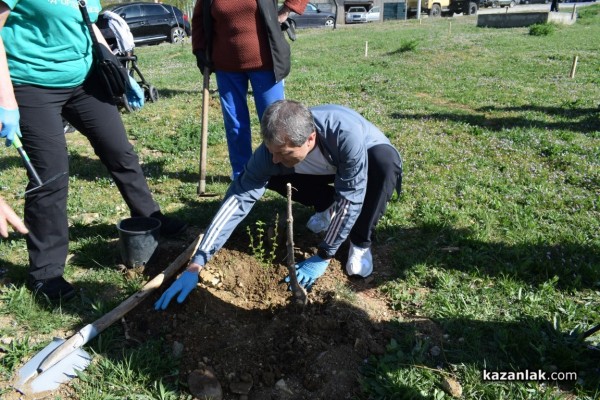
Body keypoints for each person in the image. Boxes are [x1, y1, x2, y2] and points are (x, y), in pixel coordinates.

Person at [0, 1, 187, 302]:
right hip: (32, 83)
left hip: (85, 80)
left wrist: (118, 71)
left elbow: (88, 25)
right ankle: (45, 273)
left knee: (120, 152)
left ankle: (151, 217)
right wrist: (6, 100)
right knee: (51, 176)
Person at [155, 100, 402, 310]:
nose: (274, 158)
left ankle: (361, 241)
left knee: (384, 164)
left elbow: (351, 195)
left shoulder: (345, 136)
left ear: (310, 139)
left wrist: (324, 254)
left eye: (283, 153)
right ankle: (326, 205)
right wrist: (198, 261)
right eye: (271, 151)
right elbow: (238, 198)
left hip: (366, 159)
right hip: (318, 166)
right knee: (270, 173)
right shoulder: (272, 152)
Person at [192, 0, 309, 180]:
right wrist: (199, 48)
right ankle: (242, 172)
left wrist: (286, 11)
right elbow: (199, 18)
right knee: (235, 124)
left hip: (266, 64)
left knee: (275, 122)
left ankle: (278, 170)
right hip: (226, 67)